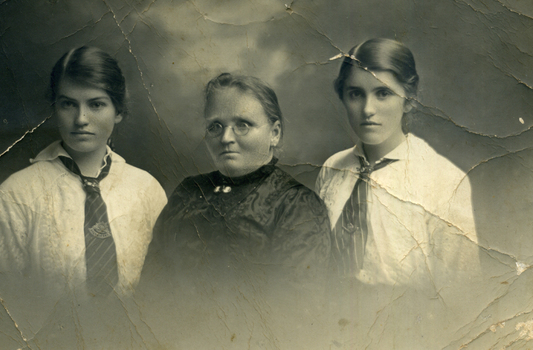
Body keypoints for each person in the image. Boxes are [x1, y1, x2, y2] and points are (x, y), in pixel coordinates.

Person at [0, 46, 167, 345]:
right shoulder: (18, 194)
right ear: (55, 108)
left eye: (96, 105)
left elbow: (163, 292)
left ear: (119, 111)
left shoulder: (146, 189)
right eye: (68, 104)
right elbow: (4, 303)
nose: (81, 118)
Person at [138, 73, 331, 348]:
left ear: (274, 133)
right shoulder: (188, 192)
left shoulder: (297, 205)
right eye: (215, 126)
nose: (226, 138)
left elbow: (297, 313)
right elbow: (150, 290)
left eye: (243, 125)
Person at [315, 38, 481, 348]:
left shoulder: (444, 180)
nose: (368, 109)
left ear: (409, 99)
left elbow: (463, 298)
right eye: (355, 94)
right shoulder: (333, 168)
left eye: (383, 94)